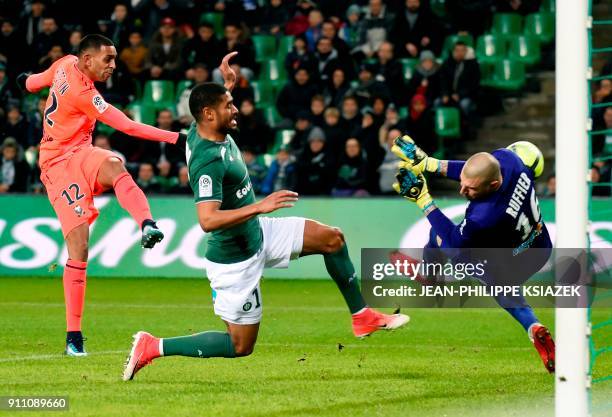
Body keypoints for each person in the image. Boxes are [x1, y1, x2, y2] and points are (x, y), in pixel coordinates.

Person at [123, 80, 409, 381]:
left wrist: (225, 84)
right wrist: (259, 206)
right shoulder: (207, 161)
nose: (235, 110)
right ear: (208, 114)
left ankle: (361, 316)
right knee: (240, 345)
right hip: (235, 259)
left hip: (258, 232)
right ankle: (153, 345)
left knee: (332, 238)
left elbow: (200, 108)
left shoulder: (201, 128)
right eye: (228, 105)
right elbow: (207, 219)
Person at [16, 34, 236, 357]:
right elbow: (129, 127)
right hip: (56, 164)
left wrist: (23, 82)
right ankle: (73, 336)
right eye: (108, 59)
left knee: (116, 167)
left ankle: (146, 223)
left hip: (81, 151)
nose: (113, 66)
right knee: (79, 247)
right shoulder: (84, 93)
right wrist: (178, 138)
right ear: (88, 60)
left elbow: (34, 82)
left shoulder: (64, 63)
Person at [391, 136, 556, 373]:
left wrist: (423, 199)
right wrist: (429, 164)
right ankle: (534, 329)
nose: (462, 189)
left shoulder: (483, 216)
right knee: (506, 289)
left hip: (511, 260)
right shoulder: (510, 164)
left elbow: (454, 240)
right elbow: (470, 170)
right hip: (539, 248)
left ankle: (430, 276)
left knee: (438, 237)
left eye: (470, 189)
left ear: (493, 185)